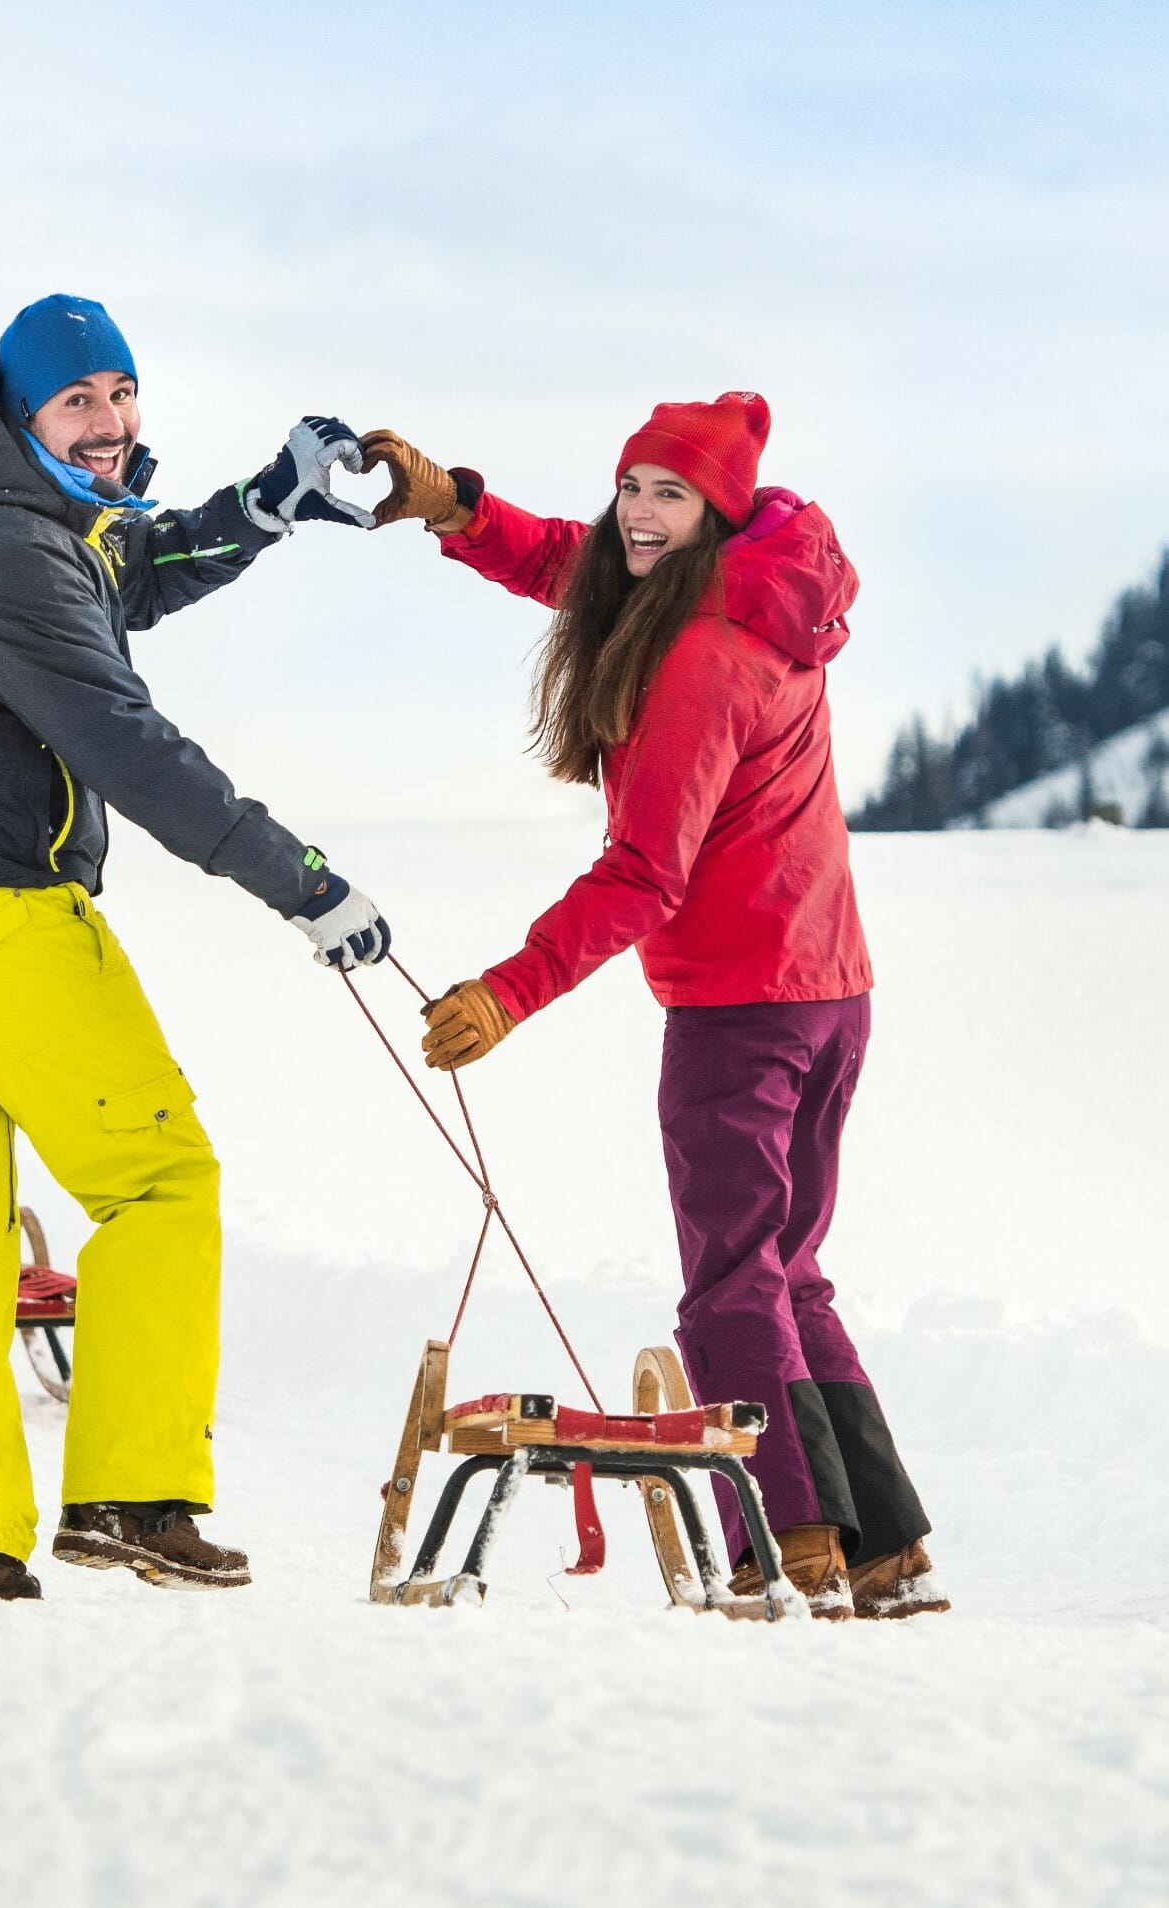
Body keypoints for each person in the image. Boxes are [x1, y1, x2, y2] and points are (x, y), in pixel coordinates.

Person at [0, 294, 391, 1604]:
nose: (109, 421)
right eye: (78, 400)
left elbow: (138, 565)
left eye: (121, 393)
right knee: (159, 1185)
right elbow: (122, 741)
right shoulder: (8, 555)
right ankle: (130, 1495)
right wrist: (296, 881)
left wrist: (266, 503)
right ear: (21, 411)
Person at [361, 395, 946, 1620]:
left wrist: (507, 991)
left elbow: (643, 873)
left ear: (714, 514)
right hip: (827, 991)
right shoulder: (757, 590)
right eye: (630, 484)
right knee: (785, 1273)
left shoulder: (702, 655)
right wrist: (459, 510)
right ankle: (883, 1548)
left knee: (731, 1285)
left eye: (667, 495)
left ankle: (787, 1545)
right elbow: (578, 570)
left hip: (740, 1009)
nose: (635, 512)